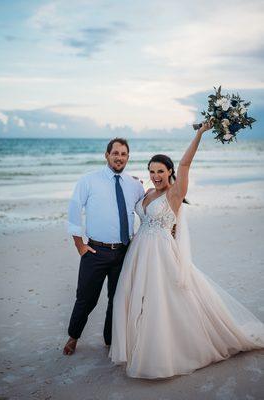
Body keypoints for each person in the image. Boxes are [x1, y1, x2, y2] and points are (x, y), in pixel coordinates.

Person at [109, 123, 264, 379]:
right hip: (138, 253)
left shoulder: (174, 194)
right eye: (152, 171)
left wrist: (199, 134)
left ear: (169, 172)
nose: (155, 175)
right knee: (133, 298)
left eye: (160, 171)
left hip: (161, 255)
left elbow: (185, 165)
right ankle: (134, 347)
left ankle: (161, 354)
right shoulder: (147, 192)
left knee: (162, 302)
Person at [63, 138, 144, 355]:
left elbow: (147, 211)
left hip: (124, 252)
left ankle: (110, 341)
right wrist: (79, 245)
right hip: (95, 251)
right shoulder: (88, 181)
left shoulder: (135, 185)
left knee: (116, 301)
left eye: (123, 154)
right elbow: (73, 209)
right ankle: (73, 337)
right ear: (106, 155)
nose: (119, 157)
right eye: (115, 153)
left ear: (128, 157)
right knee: (86, 298)